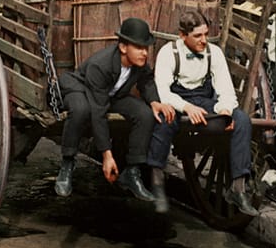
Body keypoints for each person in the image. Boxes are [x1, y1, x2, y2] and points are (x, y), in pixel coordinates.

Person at [146, 12, 260, 216]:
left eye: (205, 34)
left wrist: (225, 109)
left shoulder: (213, 52)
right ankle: (157, 180)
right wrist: (186, 108)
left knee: (241, 118)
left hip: (204, 99)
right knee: (166, 118)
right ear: (183, 35)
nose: (204, 40)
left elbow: (225, 88)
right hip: (177, 99)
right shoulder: (168, 53)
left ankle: (238, 187)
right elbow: (163, 91)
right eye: (197, 36)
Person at [54, 17, 174, 202]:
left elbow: (147, 81)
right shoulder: (100, 65)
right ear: (123, 47)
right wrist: (107, 155)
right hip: (81, 88)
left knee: (144, 114)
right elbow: (99, 113)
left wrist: (154, 102)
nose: (145, 53)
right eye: (139, 48)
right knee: (81, 110)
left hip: (110, 94)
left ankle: (131, 172)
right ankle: (67, 164)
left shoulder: (139, 65)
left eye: (146, 48)